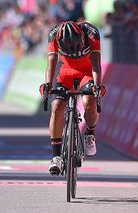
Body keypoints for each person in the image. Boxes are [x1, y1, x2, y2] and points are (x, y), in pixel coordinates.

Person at [40, 21, 106, 175]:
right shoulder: (53, 34)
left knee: (89, 101)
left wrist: (97, 85)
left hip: (86, 71)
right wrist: (48, 84)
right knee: (56, 107)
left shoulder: (91, 32)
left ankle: (90, 133)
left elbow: (96, 63)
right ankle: (56, 156)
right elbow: (51, 63)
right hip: (64, 72)